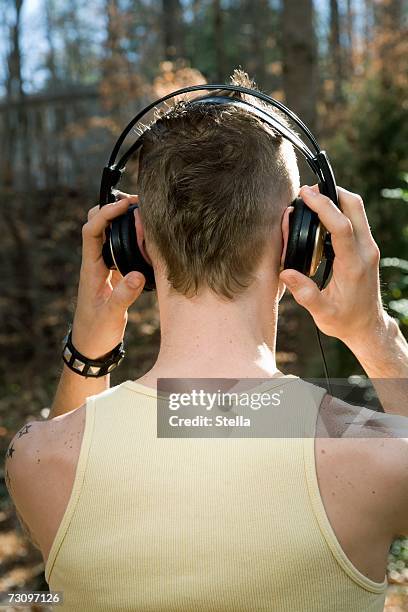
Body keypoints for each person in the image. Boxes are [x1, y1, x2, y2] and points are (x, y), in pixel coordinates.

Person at [4, 72, 408, 611]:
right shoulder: (378, 457)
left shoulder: (36, 461)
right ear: (298, 240)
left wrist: (88, 348)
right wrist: (373, 332)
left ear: (137, 242)